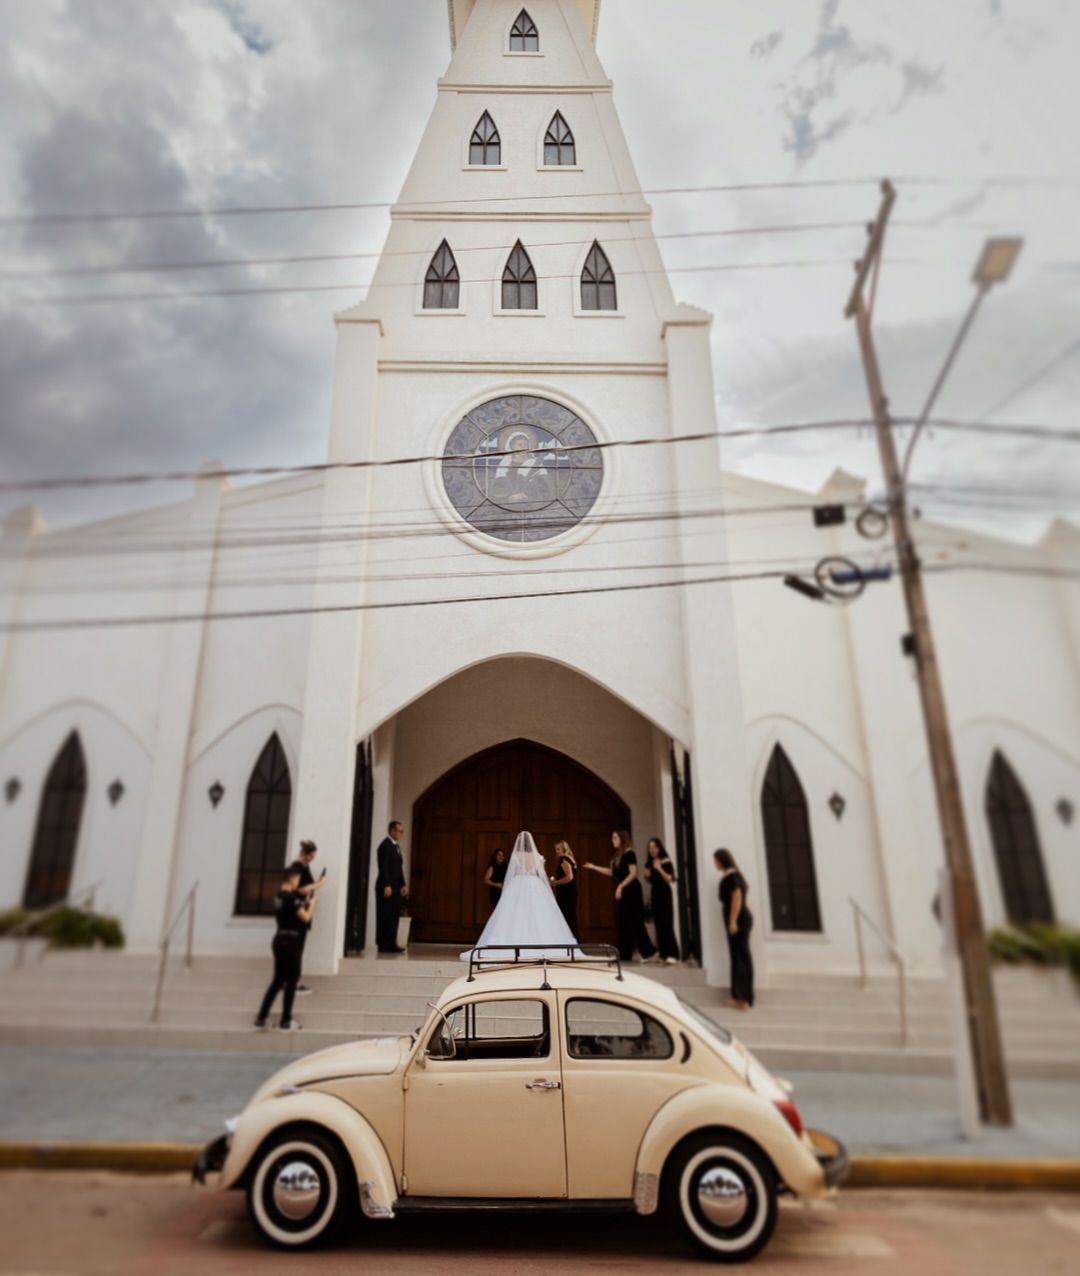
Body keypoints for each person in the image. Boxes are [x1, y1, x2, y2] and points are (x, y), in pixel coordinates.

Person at [461, 831, 578, 960]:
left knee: (515, 912)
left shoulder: (516, 856)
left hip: (518, 884)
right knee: (537, 913)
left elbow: (512, 873)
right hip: (535, 884)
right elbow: (541, 874)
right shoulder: (538, 856)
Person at [254, 864, 313, 1031]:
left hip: (279, 939)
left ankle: (262, 1016)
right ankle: (286, 1020)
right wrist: (312, 904)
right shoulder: (290, 898)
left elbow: (290, 909)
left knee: (278, 980)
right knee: (292, 980)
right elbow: (305, 918)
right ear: (292, 878)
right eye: (297, 880)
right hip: (291, 940)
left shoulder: (278, 897)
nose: (298, 883)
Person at [584, 830, 657, 963]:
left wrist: (621, 886)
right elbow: (612, 872)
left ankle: (649, 953)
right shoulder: (618, 856)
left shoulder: (629, 853)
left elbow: (634, 873)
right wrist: (594, 867)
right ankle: (624, 955)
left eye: (615, 837)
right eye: (612, 837)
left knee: (635, 921)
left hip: (632, 890)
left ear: (622, 838)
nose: (612, 840)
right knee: (624, 922)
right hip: (625, 891)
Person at [715, 848, 754, 1009]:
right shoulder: (736, 876)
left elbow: (737, 896)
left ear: (722, 861)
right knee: (742, 957)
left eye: (716, 860)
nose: (715, 863)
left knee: (739, 958)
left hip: (738, 922)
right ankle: (744, 997)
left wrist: (732, 921)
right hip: (743, 920)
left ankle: (740, 999)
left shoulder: (731, 877)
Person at [288, 839, 327, 993]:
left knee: (298, 948)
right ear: (305, 854)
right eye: (311, 856)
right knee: (295, 949)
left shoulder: (304, 867)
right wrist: (320, 883)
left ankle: (294, 981)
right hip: (297, 913)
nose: (312, 859)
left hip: (303, 910)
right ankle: (293, 983)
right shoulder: (297, 868)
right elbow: (300, 890)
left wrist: (316, 883)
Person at [645, 837, 680, 964]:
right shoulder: (649, 863)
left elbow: (670, 879)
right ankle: (664, 954)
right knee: (658, 924)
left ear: (659, 848)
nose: (652, 850)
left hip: (665, 893)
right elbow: (649, 880)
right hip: (655, 894)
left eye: (654, 847)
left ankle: (673, 954)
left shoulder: (666, 861)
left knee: (666, 923)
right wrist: (647, 875)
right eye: (650, 848)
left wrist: (659, 868)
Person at [375, 821, 408, 954]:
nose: (401, 834)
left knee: (394, 915)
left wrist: (402, 884)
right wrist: (387, 885)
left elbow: (398, 868)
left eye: (402, 831)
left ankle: (392, 943)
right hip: (386, 887)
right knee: (385, 916)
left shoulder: (396, 847)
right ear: (392, 831)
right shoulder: (385, 846)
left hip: (395, 887)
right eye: (399, 831)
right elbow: (383, 868)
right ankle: (383, 944)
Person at [550, 840, 579, 939]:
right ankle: (573, 940)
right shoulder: (570, 859)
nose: (557, 851)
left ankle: (569, 940)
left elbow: (569, 877)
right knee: (570, 916)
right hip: (570, 891)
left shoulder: (564, 859)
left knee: (566, 916)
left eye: (558, 849)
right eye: (556, 849)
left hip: (566, 892)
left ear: (563, 849)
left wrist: (555, 882)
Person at [483, 848, 508, 914]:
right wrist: (496, 884)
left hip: (505, 892)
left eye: (502, 855)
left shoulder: (506, 867)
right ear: (495, 856)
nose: (501, 857)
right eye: (499, 855)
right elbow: (486, 880)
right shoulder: (492, 867)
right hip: (496, 893)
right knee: (497, 912)